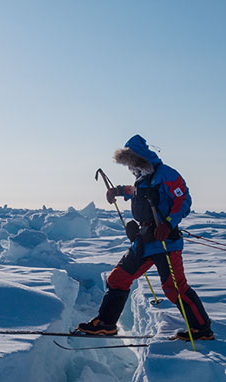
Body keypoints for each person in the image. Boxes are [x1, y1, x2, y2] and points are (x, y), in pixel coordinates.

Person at [76, 134, 213, 341]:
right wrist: (118, 191)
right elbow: (136, 192)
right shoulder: (142, 178)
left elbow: (183, 200)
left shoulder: (166, 174)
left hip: (166, 242)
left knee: (174, 288)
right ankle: (106, 324)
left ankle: (201, 329)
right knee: (117, 279)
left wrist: (167, 224)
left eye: (131, 160)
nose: (129, 165)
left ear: (140, 157)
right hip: (145, 241)